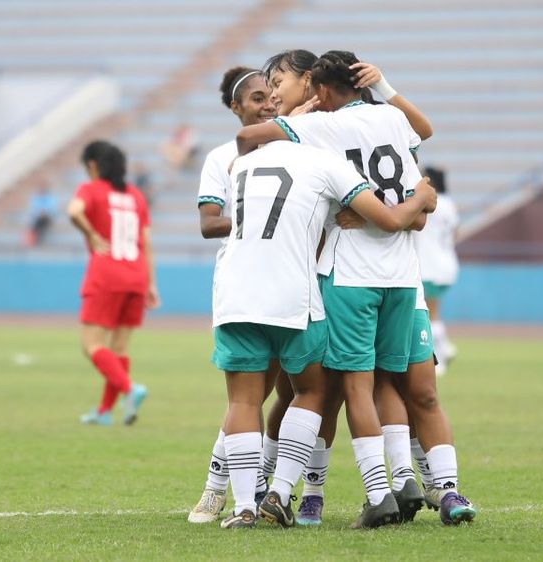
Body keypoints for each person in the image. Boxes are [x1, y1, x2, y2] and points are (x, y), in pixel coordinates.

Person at [239, 50, 476, 528]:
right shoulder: (391, 118)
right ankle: (431, 485)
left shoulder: (320, 128)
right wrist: (386, 87)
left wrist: (297, 115)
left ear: (320, 89)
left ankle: (363, 493)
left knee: (345, 388)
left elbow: (248, 138)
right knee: (408, 387)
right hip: (404, 280)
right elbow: (421, 199)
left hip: (347, 275)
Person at [215, 138, 436, 529]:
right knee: (315, 390)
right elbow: (391, 218)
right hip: (294, 292)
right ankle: (282, 492)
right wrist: (418, 194)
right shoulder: (323, 160)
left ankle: (245, 506)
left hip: (236, 290)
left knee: (243, 402)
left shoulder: (240, 162)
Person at [188, 66, 280, 524]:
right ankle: (215, 488)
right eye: (257, 98)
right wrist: (259, 216)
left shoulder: (294, 148)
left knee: (278, 393)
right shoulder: (221, 157)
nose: (268, 104)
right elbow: (208, 224)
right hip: (243, 283)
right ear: (235, 107)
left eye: (272, 96)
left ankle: (262, 486)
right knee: (250, 394)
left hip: (290, 283)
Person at [67, 140, 160, 426]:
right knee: (119, 349)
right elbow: (145, 243)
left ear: (93, 165)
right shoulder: (135, 196)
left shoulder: (91, 189)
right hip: (136, 277)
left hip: (106, 275)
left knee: (91, 345)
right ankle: (106, 412)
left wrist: (92, 235)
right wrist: (151, 284)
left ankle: (129, 389)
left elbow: (74, 212)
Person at [414, 166, 460, 375]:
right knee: (434, 311)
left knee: (428, 314)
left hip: (429, 265)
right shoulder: (450, 204)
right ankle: (446, 347)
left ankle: (439, 357)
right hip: (448, 263)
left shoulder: (431, 202)